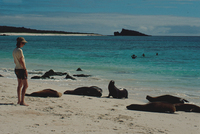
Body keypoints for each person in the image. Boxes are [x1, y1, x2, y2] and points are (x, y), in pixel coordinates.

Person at [12, 37, 29, 106]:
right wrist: (25, 69)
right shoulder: (20, 50)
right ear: (21, 43)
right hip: (21, 69)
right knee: (26, 85)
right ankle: (22, 101)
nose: (24, 44)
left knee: (19, 85)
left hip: (16, 69)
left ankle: (19, 100)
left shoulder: (14, 50)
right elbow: (21, 61)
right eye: (24, 43)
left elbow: (15, 61)